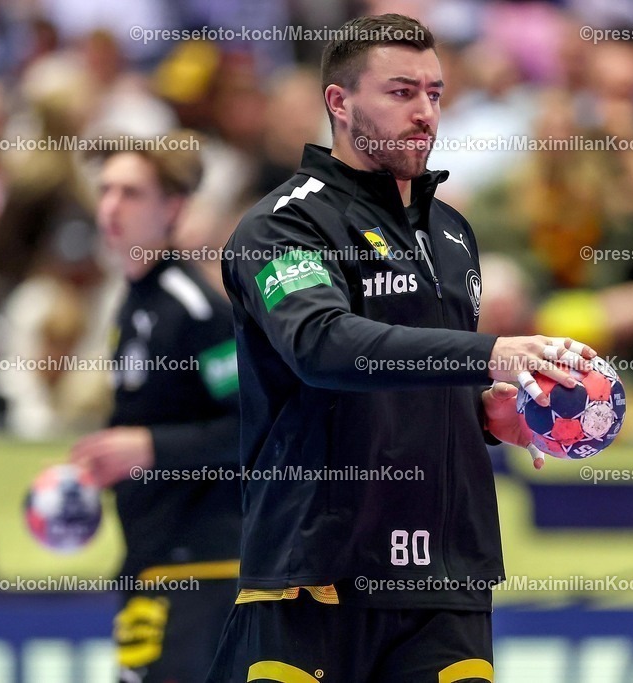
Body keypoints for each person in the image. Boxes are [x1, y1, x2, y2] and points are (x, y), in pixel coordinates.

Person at [208, 14, 597, 682]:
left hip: (445, 582)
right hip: (315, 574)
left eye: (435, 93)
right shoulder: (282, 224)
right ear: (340, 102)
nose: (425, 113)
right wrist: (487, 354)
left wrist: (483, 411)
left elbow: (414, 368)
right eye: (401, 93)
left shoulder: (451, 232)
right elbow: (322, 346)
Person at [69, 133, 242, 683]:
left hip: (203, 566)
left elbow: (258, 428)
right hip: (152, 558)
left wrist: (149, 448)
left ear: (172, 207)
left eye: (131, 193)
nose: (111, 207)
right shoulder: (133, 301)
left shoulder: (196, 309)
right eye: (105, 191)